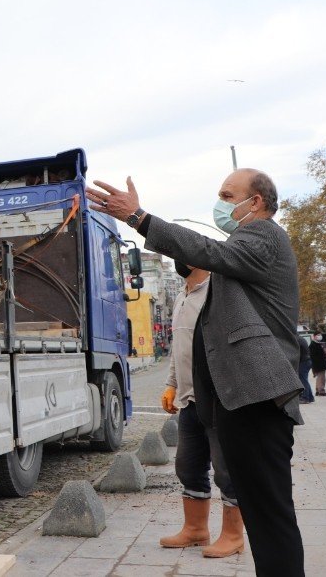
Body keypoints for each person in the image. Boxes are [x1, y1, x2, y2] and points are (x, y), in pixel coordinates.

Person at [87, 168, 304, 577]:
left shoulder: (263, 235)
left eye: (228, 195)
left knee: (270, 512)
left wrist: (138, 218)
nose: (220, 204)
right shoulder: (244, 247)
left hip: (256, 397)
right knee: (262, 511)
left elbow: (207, 251)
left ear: (256, 201)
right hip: (240, 400)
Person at [160, 261, 244, 558]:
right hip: (189, 401)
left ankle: (233, 536)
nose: (175, 258)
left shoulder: (219, 293)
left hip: (218, 399)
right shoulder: (181, 296)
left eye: (179, 252)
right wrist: (172, 384)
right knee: (188, 466)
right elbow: (178, 346)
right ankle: (196, 529)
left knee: (227, 470)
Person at [298, 337, 314, 404]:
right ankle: (310, 397)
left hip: (303, 362)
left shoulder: (296, 339)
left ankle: (305, 398)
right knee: (305, 380)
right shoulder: (301, 338)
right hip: (307, 361)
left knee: (303, 380)